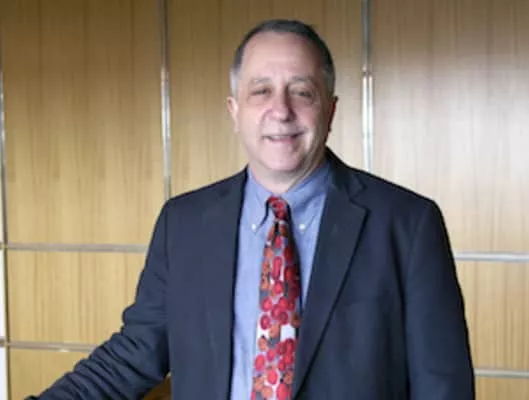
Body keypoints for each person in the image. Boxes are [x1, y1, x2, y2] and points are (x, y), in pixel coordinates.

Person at [32, 19, 474, 399]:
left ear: (331, 110)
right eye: (261, 91)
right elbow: (132, 356)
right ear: (234, 111)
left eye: (302, 92)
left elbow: (443, 386)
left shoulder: (407, 223)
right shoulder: (183, 224)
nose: (280, 111)